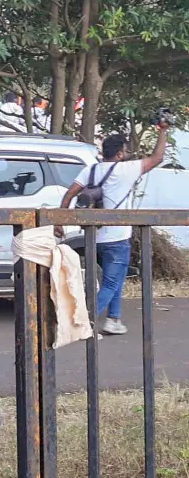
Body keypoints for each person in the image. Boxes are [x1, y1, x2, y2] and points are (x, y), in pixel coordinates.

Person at [55, 122, 169, 335]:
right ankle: (82, 325)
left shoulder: (91, 170)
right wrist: (163, 131)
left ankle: (114, 319)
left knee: (115, 277)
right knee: (110, 282)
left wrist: (59, 220)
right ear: (118, 154)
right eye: (125, 151)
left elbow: (70, 194)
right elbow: (157, 158)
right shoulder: (126, 169)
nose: (126, 155)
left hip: (94, 237)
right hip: (117, 237)